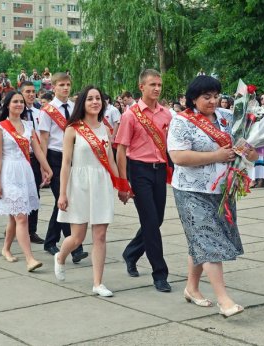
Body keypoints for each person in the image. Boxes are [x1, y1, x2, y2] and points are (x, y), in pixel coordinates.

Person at [167, 75, 258, 318]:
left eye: (216, 96)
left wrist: (249, 152)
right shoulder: (181, 122)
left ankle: (191, 288)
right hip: (191, 190)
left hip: (221, 189)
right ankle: (224, 300)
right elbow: (178, 157)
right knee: (208, 241)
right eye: (206, 97)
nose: (213, 101)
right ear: (193, 99)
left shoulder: (229, 119)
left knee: (200, 239)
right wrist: (216, 156)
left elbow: (251, 152)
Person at [56, 86, 125, 297]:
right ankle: (60, 256)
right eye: (90, 99)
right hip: (78, 184)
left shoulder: (105, 128)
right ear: (82, 103)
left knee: (100, 234)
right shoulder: (73, 129)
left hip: (101, 183)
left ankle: (98, 283)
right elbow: (66, 163)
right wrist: (62, 193)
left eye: (98, 99)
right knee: (77, 237)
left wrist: (121, 185)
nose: (95, 102)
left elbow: (111, 160)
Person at [115, 69, 173, 292]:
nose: (157, 88)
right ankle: (159, 273)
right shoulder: (130, 115)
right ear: (141, 87)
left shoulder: (166, 114)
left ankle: (131, 253)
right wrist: (123, 182)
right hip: (138, 171)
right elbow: (121, 150)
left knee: (156, 220)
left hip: (159, 170)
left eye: (159, 84)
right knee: (150, 221)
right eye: (152, 85)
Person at [0, 91, 52, 271]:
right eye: (15, 101)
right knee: (21, 217)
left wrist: (47, 168)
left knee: (15, 217)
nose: (19, 104)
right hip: (9, 173)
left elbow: (38, 151)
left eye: (21, 102)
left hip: (25, 173)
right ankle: (30, 259)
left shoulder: (28, 126)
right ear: (8, 105)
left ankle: (6, 248)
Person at [38, 72, 88, 262]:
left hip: (74, 157)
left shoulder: (76, 108)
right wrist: (44, 165)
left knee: (63, 200)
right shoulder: (47, 111)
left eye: (67, 84)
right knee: (67, 200)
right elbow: (44, 138)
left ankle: (51, 241)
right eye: (61, 85)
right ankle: (75, 248)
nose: (65, 88)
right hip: (55, 157)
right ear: (53, 87)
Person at [20, 81, 45, 244]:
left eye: (32, 91)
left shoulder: (39, 112)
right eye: (27, 91)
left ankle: (31, 230)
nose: (30, 94)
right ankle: (17, 226)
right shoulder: (14, 112)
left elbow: (42, 137)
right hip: (19, 157)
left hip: (35, 157)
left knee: (34, 193)